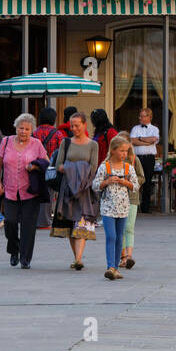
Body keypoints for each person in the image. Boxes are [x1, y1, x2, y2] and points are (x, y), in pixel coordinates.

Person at [0, 113, 49, 269]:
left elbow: (47, 162)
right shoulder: (6, 142)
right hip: (10, 190)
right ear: (15, 128)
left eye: (27, 129)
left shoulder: (37, 144)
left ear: (32, 130)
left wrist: (35, 166)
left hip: (31, 191)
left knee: (28, 227)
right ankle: (14, 250)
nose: (23, 131)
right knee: (10, 222)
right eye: (20, 128)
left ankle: (25, 258)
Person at [48, 112, 100, 269]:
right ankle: (76, 257)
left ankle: (78, 259)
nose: (74, 128)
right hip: (68, 189)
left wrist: (72, 167)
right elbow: (59, 166)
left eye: (77, 125)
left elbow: (93, 167)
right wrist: (77, 168)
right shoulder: (66, 142)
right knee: (70, 223)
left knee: (81, 223)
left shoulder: (93, 145)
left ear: (85, 125)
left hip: (84, 189)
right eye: (72, 125)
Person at [92, 136, 139, 280]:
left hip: (124, 207)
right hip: (107, 207)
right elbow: (95, 185)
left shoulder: (128, 167)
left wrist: (126, 183)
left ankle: (116, 268)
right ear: (113, 151)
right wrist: (106, 182)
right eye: (121, 151)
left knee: (119, 237)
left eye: (126, 151)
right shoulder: (104, 166)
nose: (124, 154)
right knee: (111, 236)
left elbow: (136, 186)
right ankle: (110, 266)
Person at [121, 144, 147, 270]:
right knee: (120, 229)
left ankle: (129, 256)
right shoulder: (110, 161)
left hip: (131, 196)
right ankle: (123, 257)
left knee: (129, 227)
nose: (124, 152)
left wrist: (131, 181)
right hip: (116, 199)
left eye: (125, 149)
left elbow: (142, 177)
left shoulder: (134, 159)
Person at [129, 107, 160, 212]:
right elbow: (133, 141)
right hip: (137, 158)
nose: (140, 118)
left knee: (147, 182)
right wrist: (146, 142)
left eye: (142, 116)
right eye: (140, 116)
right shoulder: (135, 128)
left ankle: (145, 207)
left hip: (149, 158)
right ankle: (133, 205)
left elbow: (154, 139)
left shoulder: (154, 129)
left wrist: (140, 139)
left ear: (149, 117)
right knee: (135, 180)